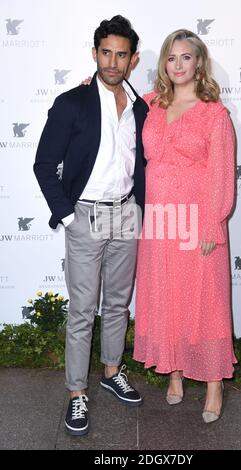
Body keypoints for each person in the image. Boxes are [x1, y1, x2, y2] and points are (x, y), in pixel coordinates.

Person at [34, 15, 148, 436]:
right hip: (85, 216)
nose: (113, 62)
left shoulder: (140, 106)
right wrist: (68, 217)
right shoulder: (72, 102)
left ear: (133, 60)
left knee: (117, 304)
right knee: (83, 310)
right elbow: (44, 164)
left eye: (121, 55)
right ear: (94, 52)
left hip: (126, 214)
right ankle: (76, 394)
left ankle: (112, 371)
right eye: (106, 52)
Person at [133, 29, 237, 423]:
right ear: (163, 63)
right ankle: (173, 373)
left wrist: (213, 224)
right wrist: (90, 86)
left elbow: (223, 174)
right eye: (171, 58)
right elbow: (113, 113)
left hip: (199, 219)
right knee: (165, 296)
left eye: (186, 57)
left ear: (199, 62)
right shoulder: (150, 104)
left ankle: (214, 383)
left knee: (205, 301)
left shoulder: (215, 113)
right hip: (159, 219)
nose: (178, 65)